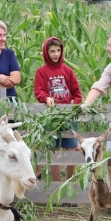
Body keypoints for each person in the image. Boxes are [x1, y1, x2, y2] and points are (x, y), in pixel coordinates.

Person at [33, 36, 83, 180]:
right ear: (46, 53)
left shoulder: (68, 71)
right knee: (53, 151)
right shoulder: (41, 72)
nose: (55, 54)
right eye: (52, 51)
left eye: (58, 51)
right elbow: (39, 91)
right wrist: (46, 98)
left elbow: (77, 94)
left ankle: (70, 183)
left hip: (68, 118)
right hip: (51, 117)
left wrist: (74, 108)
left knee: (71, 150)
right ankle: (56, 185)